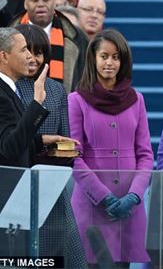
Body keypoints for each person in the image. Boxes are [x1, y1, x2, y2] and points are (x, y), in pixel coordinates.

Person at [68, 29, 153, 268]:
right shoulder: (76, 100)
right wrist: (103, 197)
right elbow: (74, 157)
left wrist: (135, 196)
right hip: (92, 206)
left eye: (116, 57)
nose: (110, 62)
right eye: (104, 56)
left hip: (128, 206)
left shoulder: (137, 100)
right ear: (93, 59)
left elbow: (145, 155)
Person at [14, 23, 86, 268]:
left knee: (61, 252)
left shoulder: (57, 89)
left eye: (39, 52)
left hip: (51, 183)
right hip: (17, 178)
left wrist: (67, 150)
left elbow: (65, 136)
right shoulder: (10, 88)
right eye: (27, 52)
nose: (33, 58)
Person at [0, 26, 76, 255]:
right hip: (6, 203)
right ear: (4, 56)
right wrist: (37, 103)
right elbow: (8, 148)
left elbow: (13, 139)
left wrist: (41, 140)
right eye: (23, 50)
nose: (30, 57)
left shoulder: (8, 89)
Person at [9, 0, 88, 93]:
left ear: (54, 1)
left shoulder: (77, 37)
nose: (41, 4)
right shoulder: (8, 36)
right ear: (25, 3)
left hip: (63, 106)